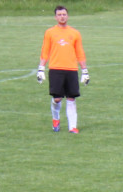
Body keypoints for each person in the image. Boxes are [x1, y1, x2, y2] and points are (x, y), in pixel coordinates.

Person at [36, 5, 88, 134]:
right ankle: (56, 119)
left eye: (64, 14)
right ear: (55, 17)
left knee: (71, 98)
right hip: (55, 69)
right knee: (57, 98)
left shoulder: (75, 33)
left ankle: (73, 127)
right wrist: (41, 68)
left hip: (71, 70)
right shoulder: (50, 32)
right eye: (59, 15)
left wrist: (85, 71)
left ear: (67, 16)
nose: (62, 17)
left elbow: (80, 53)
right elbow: (45, 51)